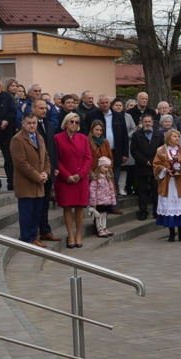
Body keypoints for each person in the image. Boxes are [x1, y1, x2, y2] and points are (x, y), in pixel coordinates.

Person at [9, 113, 51, 247]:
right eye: (29, 123)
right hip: (26, 184)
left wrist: (45, 172)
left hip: (39, 184)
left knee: (37, 212)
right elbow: (21, 163)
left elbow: (46, 158)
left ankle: (34, 237)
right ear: (23, 124)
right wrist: (37, 176)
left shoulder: (39, 138)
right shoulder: (17, 140)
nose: (32, 125)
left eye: (34, 123)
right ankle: (27, 239)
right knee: (27, 213)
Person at [54, 112, 92, 248]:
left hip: (81, 179)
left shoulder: (83, 138)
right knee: (68, 207)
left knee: (80, 207)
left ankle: (78, 235)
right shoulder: (57, 138)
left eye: (76, 122)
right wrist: (66, 175)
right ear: (65, 123)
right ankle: (70, 235)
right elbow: (56, 159)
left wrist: (80, 174)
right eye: (72, 122)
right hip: (65, 179)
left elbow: (88, 158)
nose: (74, 124)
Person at [153, 129, 181, 242]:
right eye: (174, 136)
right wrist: (166, 170)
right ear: (168, 138)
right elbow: (156, 165)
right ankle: (171, 233)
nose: (177, 138)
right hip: (168, 183)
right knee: (169, 207)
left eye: (178, 136)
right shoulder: (161, 151)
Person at [32, 99, 60, 242]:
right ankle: (34, 233)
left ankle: (45, 231)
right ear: (34, 109)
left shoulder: (49, 125)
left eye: (45, 108)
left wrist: (54, 167)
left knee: (45, 203)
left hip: (48, 171)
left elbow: (52, 148)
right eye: (41, 108)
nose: (44, 111)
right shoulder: (31, 126)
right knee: (36, 204)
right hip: (36, 172)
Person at [130, 114, 164, 220]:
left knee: (156, 190)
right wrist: (144, 161)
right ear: (142, 123)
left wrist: (155, 160)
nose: (147, 123)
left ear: (153, 123)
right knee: (142, 191)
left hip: (155, 166)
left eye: (149, 121)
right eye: (145, 122)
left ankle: (156, 211)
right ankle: (143, 211)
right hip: (142, 166)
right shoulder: (136, 135)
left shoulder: (159, 134)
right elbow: (134, 150)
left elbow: (162, 149)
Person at [88, 156, 117, 238]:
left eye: (107, 167)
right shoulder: (96, 179)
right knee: (98, 215)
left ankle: (104, 227)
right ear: (100, 167)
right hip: (99, 201)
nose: (106, 169)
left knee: (105, 214)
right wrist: (93, 202)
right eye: (105, 167)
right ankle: (99, 229)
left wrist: (113, 200)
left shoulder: (108, 178)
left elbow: (111, 189)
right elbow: (92, 190)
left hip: (106, 201)